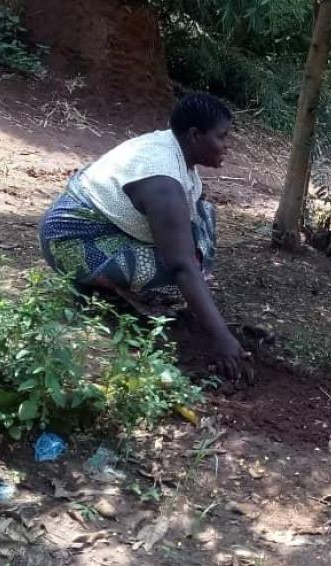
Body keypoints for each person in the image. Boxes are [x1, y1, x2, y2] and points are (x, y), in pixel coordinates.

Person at [39, 93, 251, 379]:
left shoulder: (174, 148)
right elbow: (182, 266)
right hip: (71, 240)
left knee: (202, 224)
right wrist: (221, 337)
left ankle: (106, 286)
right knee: (180, 272)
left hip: (103, 226)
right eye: (222, 137)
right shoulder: (162, 181)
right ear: (194, 135)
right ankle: (91, 288)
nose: (227, 146)